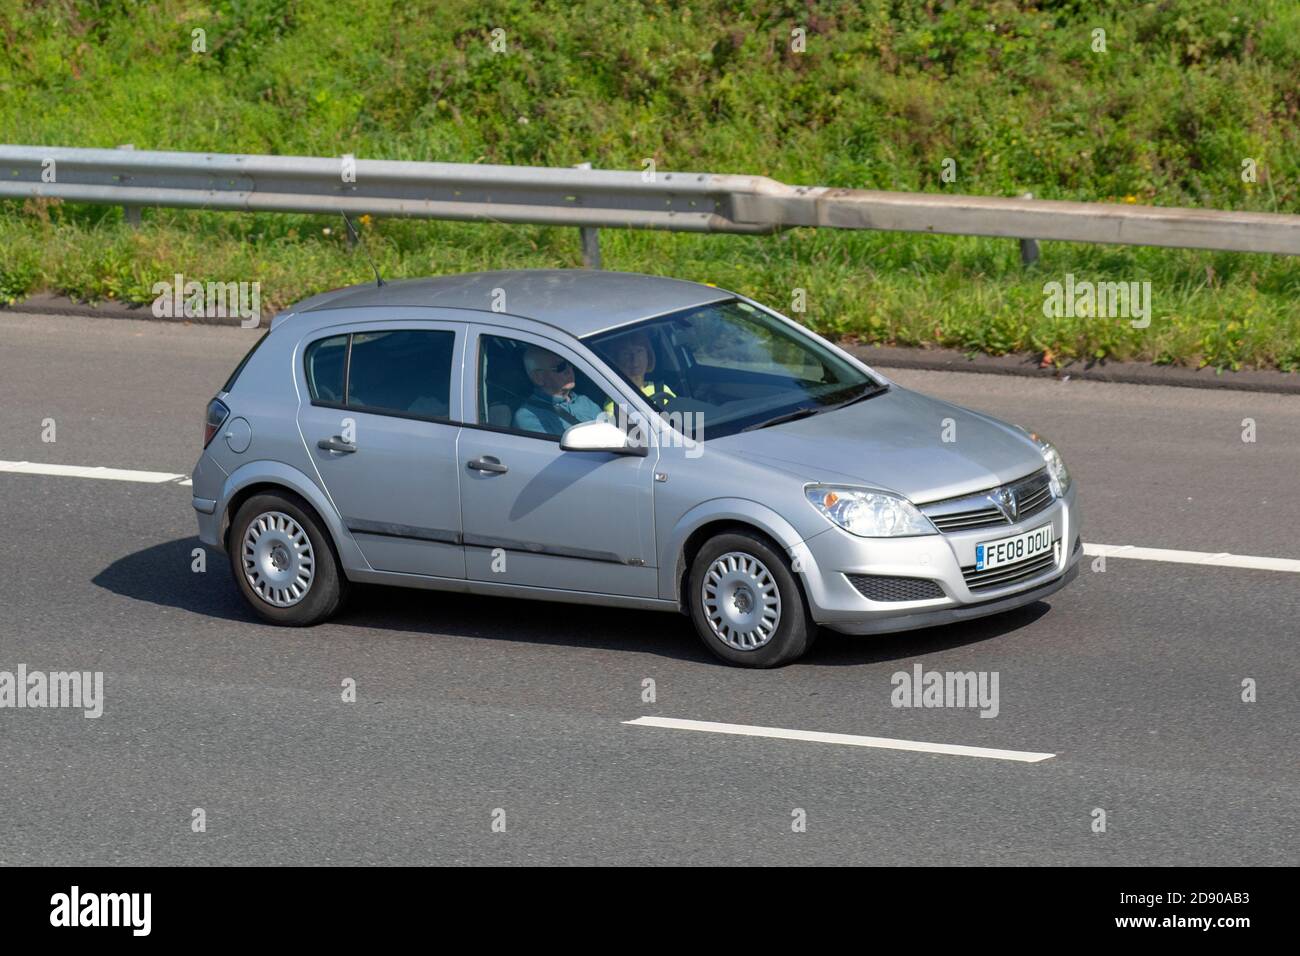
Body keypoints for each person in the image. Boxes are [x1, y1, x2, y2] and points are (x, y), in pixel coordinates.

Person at [513, 346, 604, 436]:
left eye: (569, 363)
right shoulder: (529, 416)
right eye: (560, 367)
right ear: (538, 378)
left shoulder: (585, 401)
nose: (569, 370)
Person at [602, 329, 675, 416]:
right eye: (626, 354)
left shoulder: (662, 390)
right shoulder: (615, 404)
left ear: (648, 356)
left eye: (639, 351)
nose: (635, 360)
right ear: (616, 361)